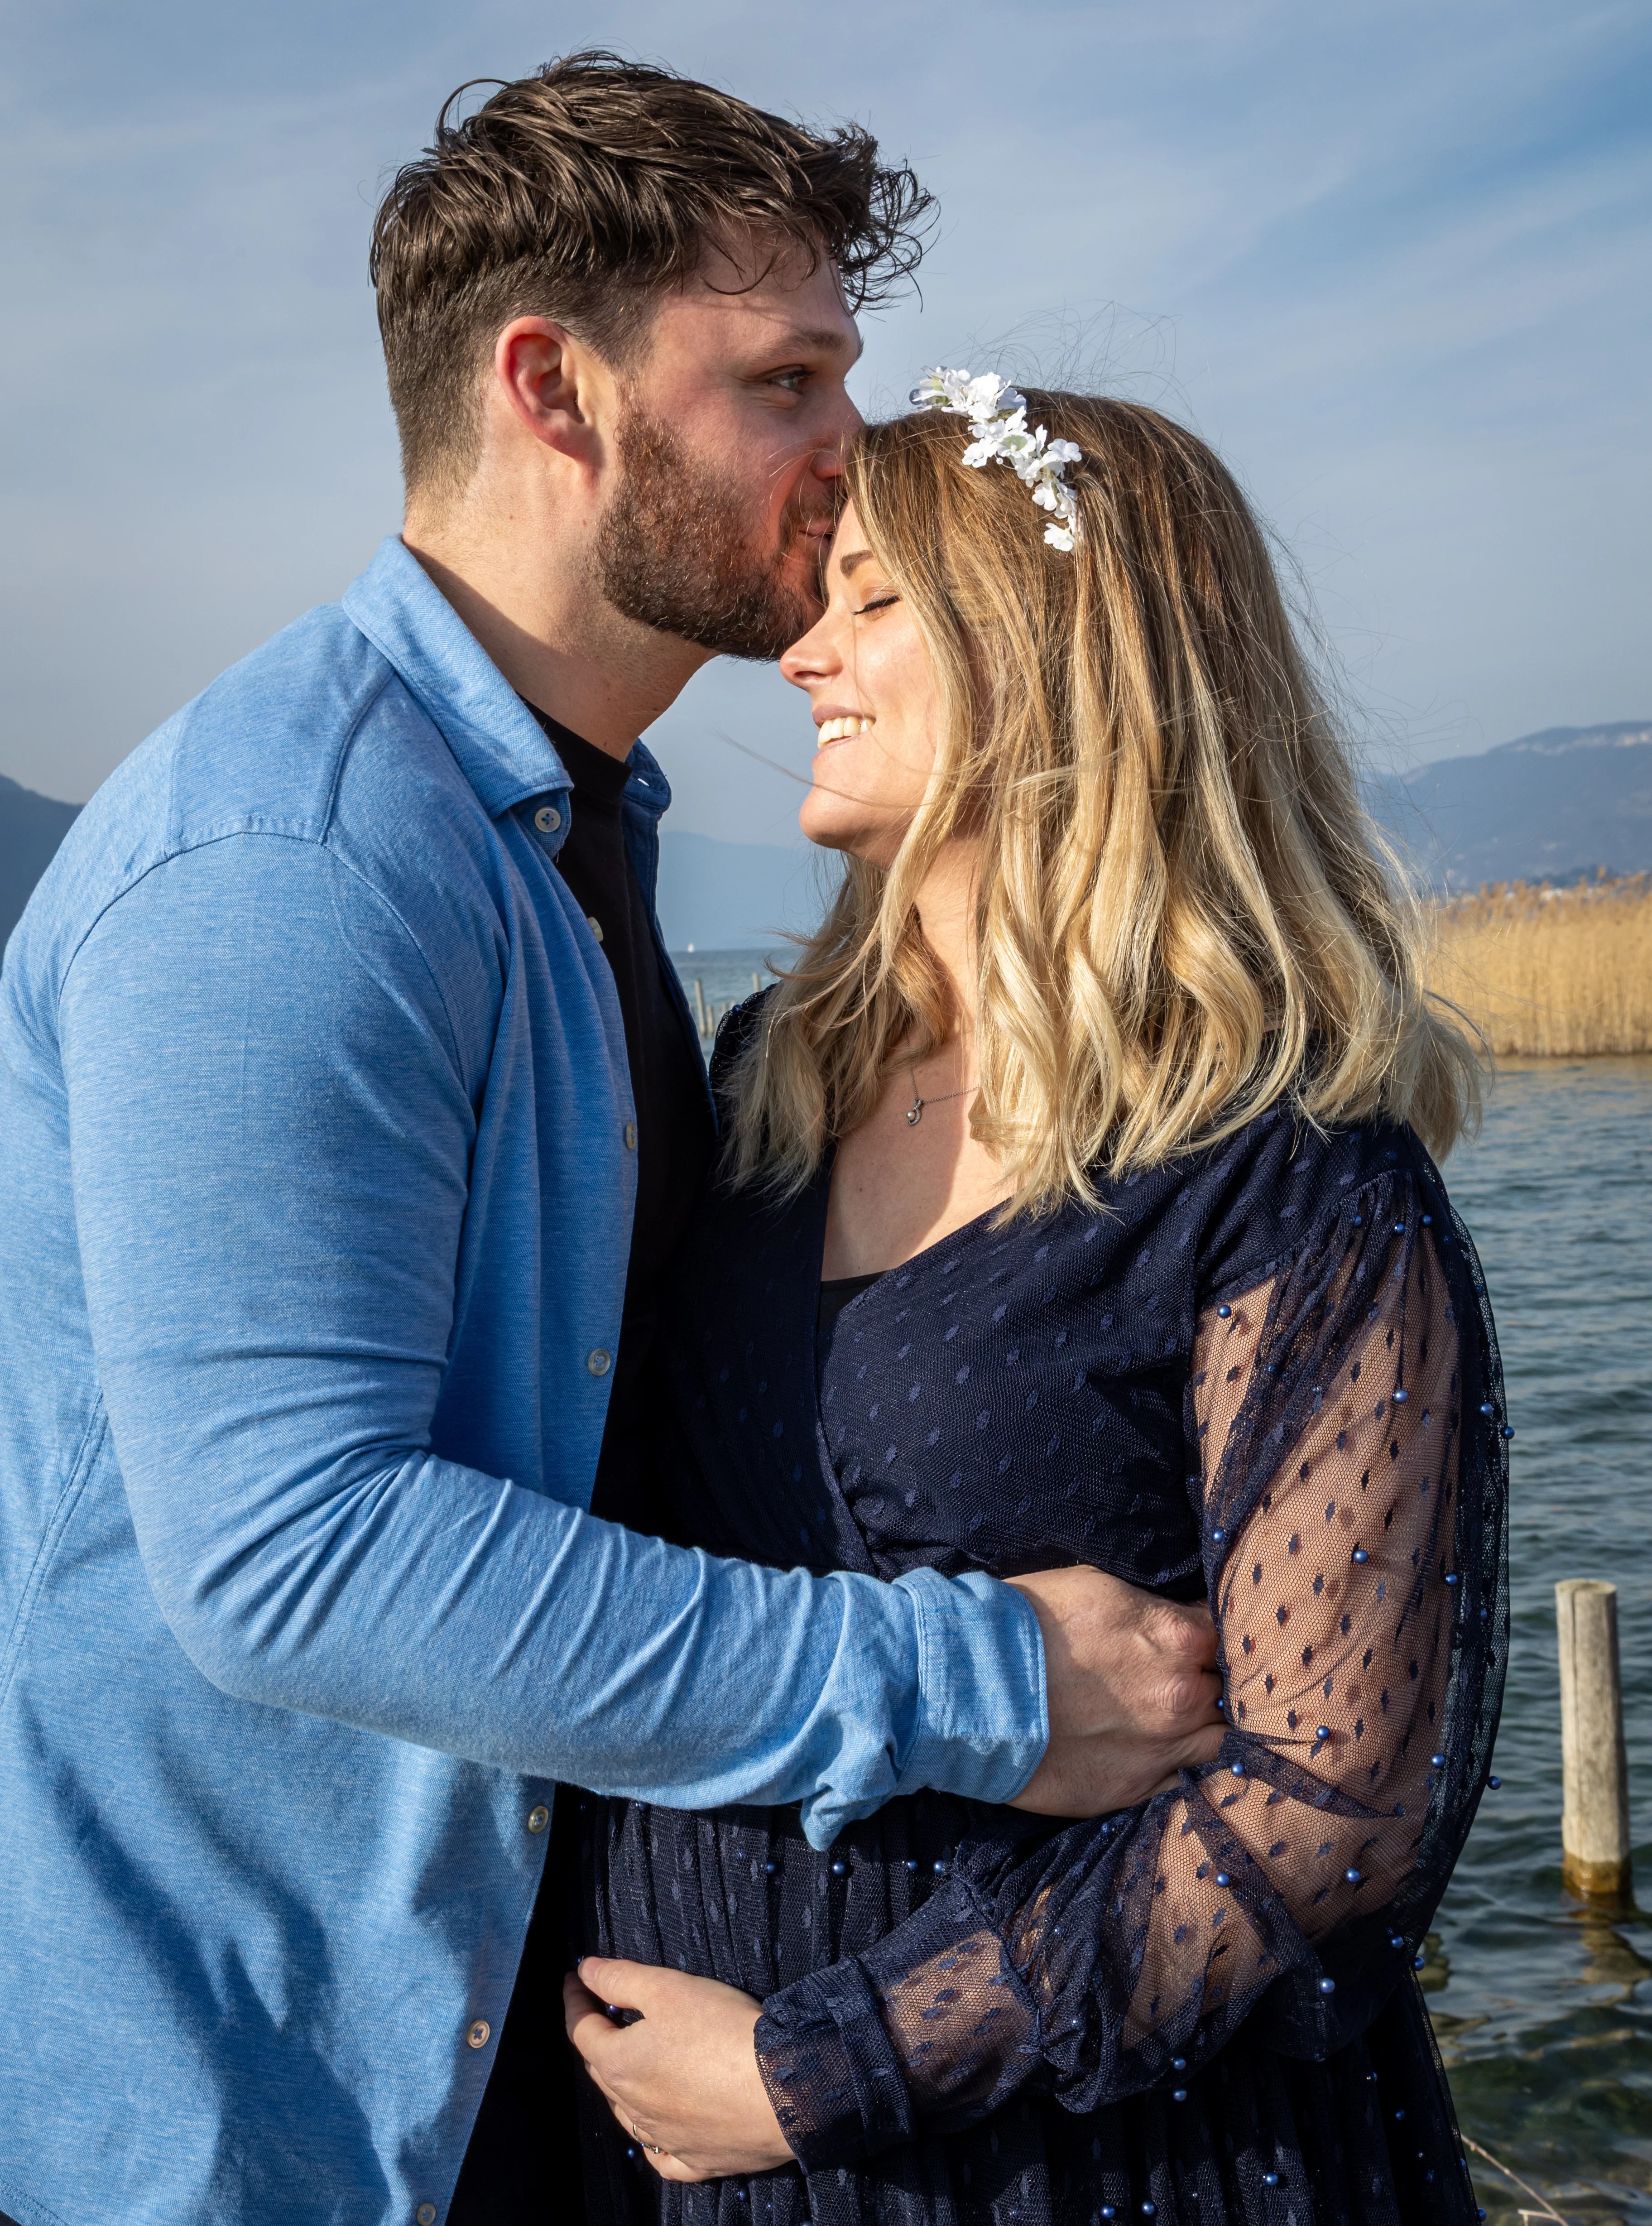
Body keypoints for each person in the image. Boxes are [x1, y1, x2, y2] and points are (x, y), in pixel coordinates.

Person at [0, 65, 1224, 2226]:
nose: (853, 445)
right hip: (235, 2102)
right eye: (782, 379)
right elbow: (293, 1553)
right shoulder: (298, 849)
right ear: (552, 390)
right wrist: (986, 1682)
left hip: (496, 2054)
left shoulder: (582, 831)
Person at [562, 384, 1510, 2225]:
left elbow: (1334, 1800)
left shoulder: (1290, 1171)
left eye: (871, 599)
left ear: (1062, 657)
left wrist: (818, 2067)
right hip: (705, 2172)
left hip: (1108, 2168)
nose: (802, 654)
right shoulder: (764, 1081)